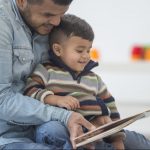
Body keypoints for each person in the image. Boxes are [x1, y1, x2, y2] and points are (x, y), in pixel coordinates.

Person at [24, 14, 150, 150]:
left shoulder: (93, 79)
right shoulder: (46, 70)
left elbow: (111, 109)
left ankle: (98, 145)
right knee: (52, 130)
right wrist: (54, 99)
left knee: (138, 141)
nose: (86, 56)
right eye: (79, 50)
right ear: (58, 49)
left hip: (95, 131)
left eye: (88, 50)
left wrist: (117, 139)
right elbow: (29, 90)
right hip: (62, 127)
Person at [0, 0, 96, 149]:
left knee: (134, 141)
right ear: (21, 1)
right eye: (48, 14)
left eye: (61, 14)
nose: (57, 22)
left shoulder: (50, 24)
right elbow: (2, 101)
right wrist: (64, 116)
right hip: (8, 136)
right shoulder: (3, 23)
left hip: (46, 127)